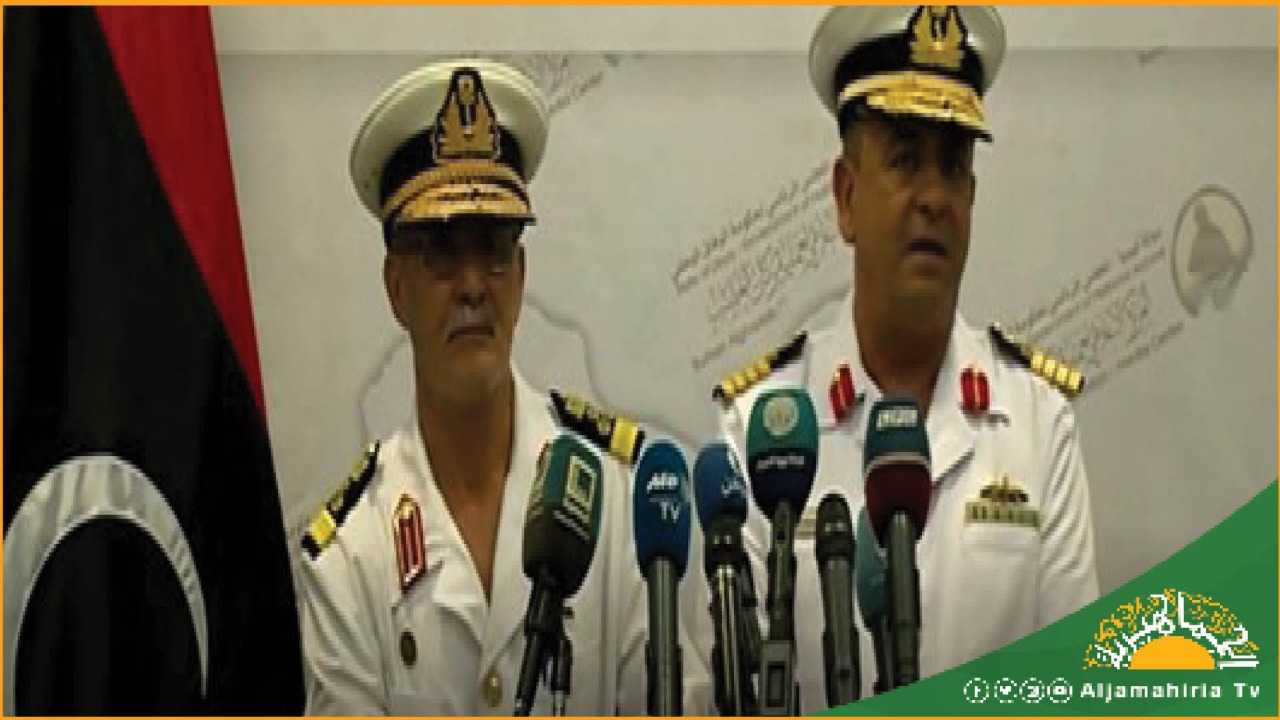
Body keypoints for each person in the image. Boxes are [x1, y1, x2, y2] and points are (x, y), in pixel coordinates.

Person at [711, 6, 1099, 710]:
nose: (933, 198)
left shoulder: (1038, 423)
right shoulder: (761, 428)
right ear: (846, 197)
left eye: (953, 167)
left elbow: (1072, 684)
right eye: (904, 159)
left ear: (972, 197)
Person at [298, 59, 708, 715]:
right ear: (397, 288)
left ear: (519, 273)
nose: (471, 286)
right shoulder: (350, 553)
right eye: (440, 251)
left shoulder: (618, 494)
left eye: (491, 247)